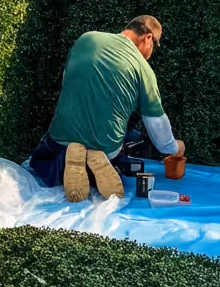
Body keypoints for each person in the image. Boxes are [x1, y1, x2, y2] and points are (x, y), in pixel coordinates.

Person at [28, 15, 185, 201]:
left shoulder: (87, 38)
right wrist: (175, 148)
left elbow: (67, 83)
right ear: (148, 37)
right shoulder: (144, 70)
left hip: (61, 138)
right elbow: (158, 128)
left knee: (40, 163)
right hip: (106, 146)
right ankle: (99, 163)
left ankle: (66, 162)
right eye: (154, 46)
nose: (151, 53)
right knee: (129, 126)